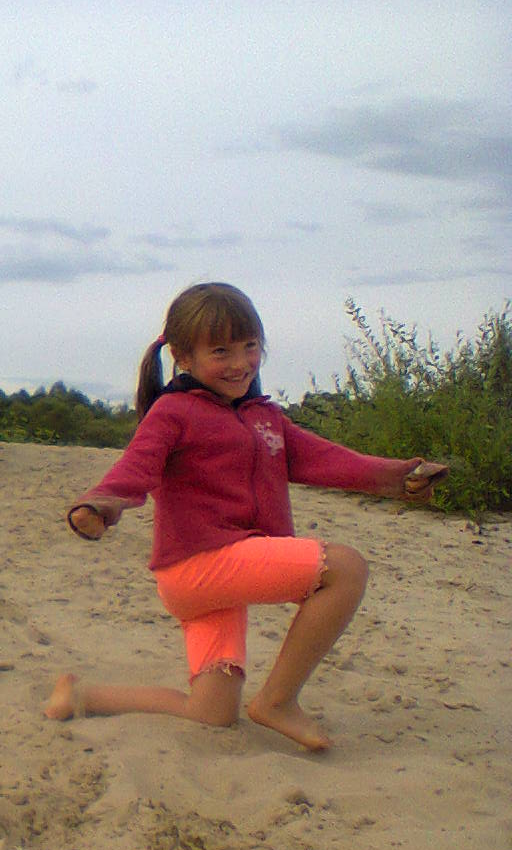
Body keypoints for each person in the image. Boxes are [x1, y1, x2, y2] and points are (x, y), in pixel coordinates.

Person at [42, 283, 447, 751]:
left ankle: (81, 695)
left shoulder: (265, 417)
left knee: (211, 713)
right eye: (221, 351)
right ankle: (278, 701)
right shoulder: (173, 411)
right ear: (183, 357)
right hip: (199, 563)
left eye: (250, 346)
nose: (240, 363)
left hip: (219, 580)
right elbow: (137, 466)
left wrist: (401, 476)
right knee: (346, 568)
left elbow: (329, 459)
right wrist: (102, 503)